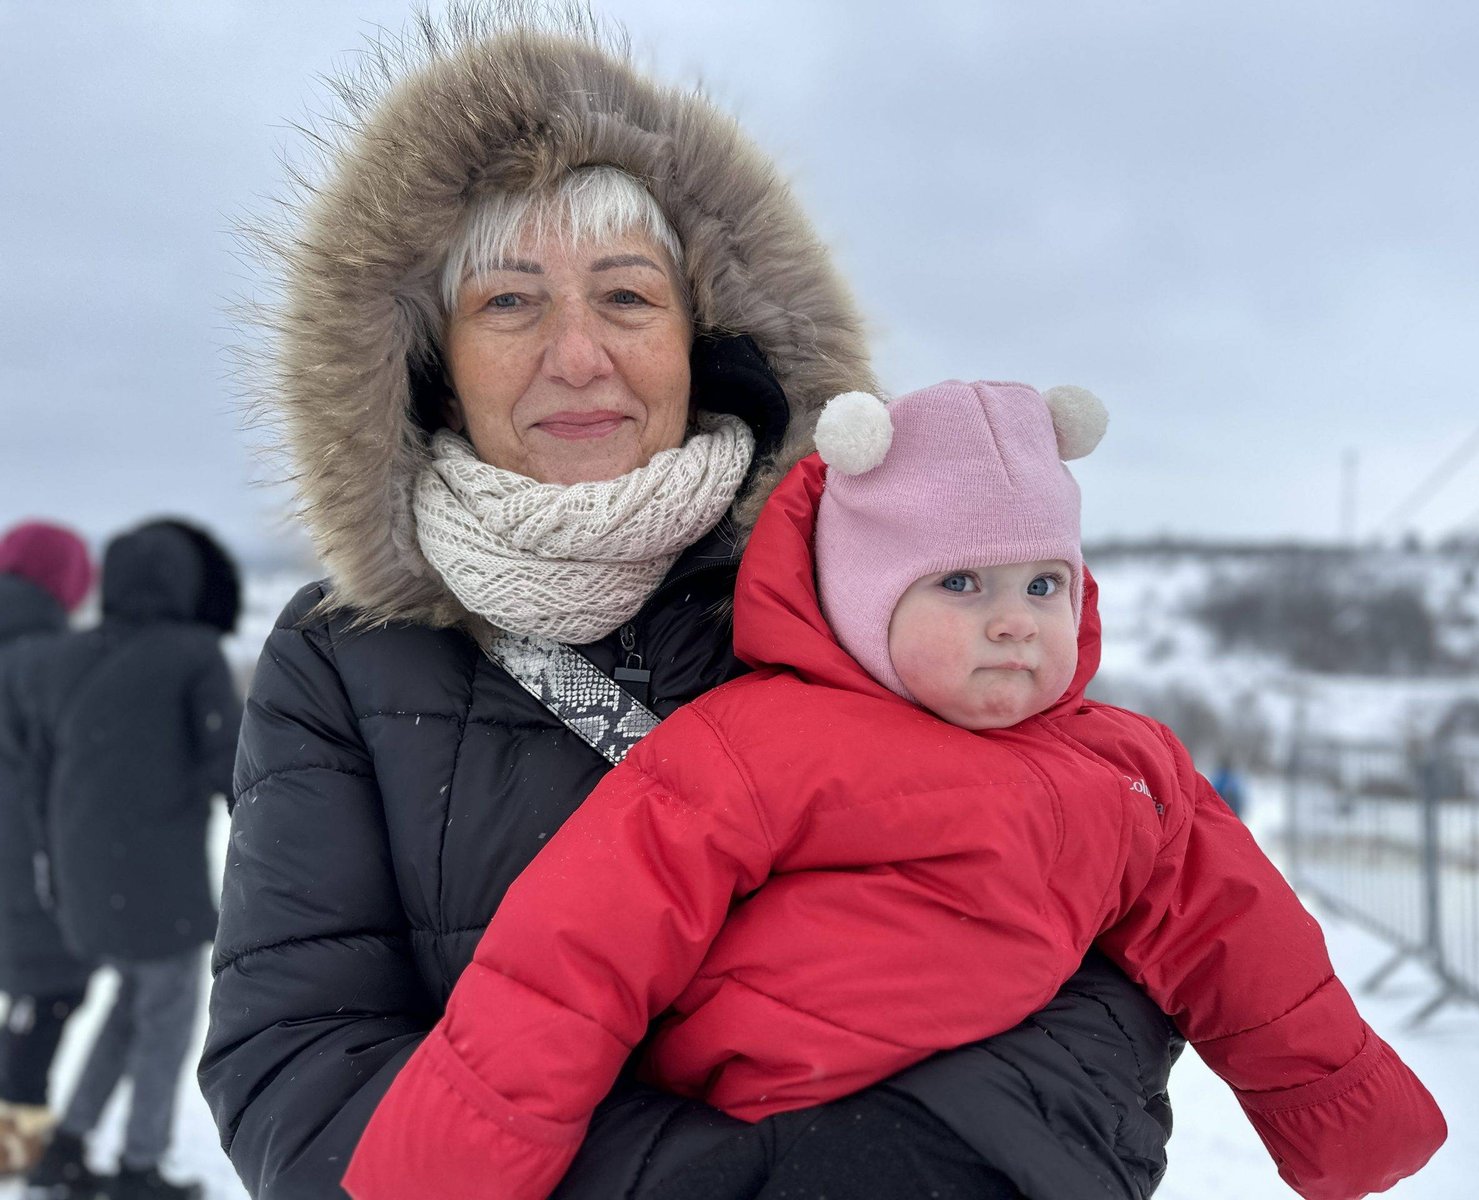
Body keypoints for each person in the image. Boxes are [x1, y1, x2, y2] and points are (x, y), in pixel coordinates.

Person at [198, 13, 1183, 1200]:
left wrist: (921, 1160)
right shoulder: (344, 659)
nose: (577, 355)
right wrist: (751, 1180)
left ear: (699, 336)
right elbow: (298, 1068)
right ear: (428, 356)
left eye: (625, 296)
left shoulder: (867, 602)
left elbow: (1108, 939)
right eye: (509, 304)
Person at [344, 381, 1447, 1200]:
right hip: (761, 1121)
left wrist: (1337, 1107)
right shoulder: (762, 740)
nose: (1012, 618)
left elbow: (1244, 944)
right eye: (959, 584)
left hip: (989, 1138)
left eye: (1042, 583)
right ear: (865, 601)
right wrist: (452, 1164)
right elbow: (585, 939)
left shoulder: (1131, 766)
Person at [8, 519, 242, 1200]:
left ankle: (69, 1144)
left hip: (84, 882)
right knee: (165, 1024)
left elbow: (40, 772)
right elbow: (229, 769)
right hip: (158, 883)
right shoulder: (194, 654)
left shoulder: (64, 656)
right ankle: (141, 1166)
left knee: (129, 1009)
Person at [0, 523, 95, 1179]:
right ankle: (15, 1142)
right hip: (31, 853)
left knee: (41, 993)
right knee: (50, 991)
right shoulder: (42, 655)